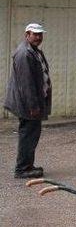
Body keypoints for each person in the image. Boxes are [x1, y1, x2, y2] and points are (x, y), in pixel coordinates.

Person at [5, 23, 51, 179]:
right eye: (35, 34)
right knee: (28, 134)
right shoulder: (24, 54)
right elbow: (26, 83)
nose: (38, 37)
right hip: (27, 103)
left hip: (30, 102)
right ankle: (23, 169)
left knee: (31, 134)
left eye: (40, 34)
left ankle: (27, 165)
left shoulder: (33, 51)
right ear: (27, 35)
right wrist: (33, 105)